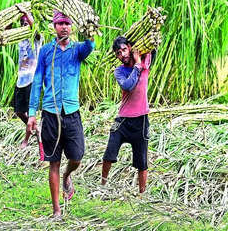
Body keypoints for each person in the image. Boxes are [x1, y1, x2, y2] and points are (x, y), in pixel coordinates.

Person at [26, 11, 95, 217]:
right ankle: (56, 209)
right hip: (50, 114)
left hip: (72, 112)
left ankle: (67, 175)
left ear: (72, 26)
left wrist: (90, 30)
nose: (64, 27)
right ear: (54, 27)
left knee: (77, 157)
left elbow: (89, 45)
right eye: (60, 23)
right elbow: (37, 81)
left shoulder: (77, 50)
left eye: (67, 23)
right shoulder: (47, 51)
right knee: (53, 161)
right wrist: (31, 114)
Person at [101, 36, 155, 194]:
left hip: (141, 120)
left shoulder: (145, 61)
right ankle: (102, 185)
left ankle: (142, 194)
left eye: (124, 49)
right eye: (118, 53)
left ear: (130, 48)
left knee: (142, 161)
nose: (122, 54)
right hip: (123, 119)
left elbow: (153, 45)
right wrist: (137, 66)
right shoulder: (120, 71)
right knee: (109, 153)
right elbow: (128, 85)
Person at [13, 12, 43, 149]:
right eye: (22, 23)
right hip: (21, 79)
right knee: (19, 111)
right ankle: (37, 130)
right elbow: (6, 32)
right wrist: (12, 16)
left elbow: (35, 30)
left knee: (31, 112)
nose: (24, 26)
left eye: (26, 23)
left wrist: (26, 13)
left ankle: (26, 140)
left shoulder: (37, 39)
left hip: (32, 79)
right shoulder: (20, 39)